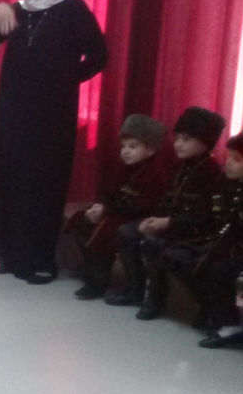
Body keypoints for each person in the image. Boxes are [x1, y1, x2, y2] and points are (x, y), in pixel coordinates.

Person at [0, 0, 109, 283]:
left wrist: (65, 81)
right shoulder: (18, 11)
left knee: (41, 182)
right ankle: (9, 255)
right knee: (12, 178)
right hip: (13, 112)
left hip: (51, 115)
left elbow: (99, 56)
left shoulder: (73, 10)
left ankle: (38, 258)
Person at [106, 106, 225, 320]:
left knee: (153, 243)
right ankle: (135, 290)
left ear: (205, 142)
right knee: (126, 232)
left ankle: (156, 299)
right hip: (173, 224)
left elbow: (205, 218)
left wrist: (168, 223)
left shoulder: (212, 173)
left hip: (195, 233)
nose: (178, 144)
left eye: (186, 139)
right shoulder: (181, 167)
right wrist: (154, 219)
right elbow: (167, 201)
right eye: (177, 138)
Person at [64, 115, 170, 300]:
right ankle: (91, 271)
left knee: (105, 231)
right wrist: (100, 206)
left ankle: (98, 282)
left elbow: (143, 206)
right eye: (123, 146)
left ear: (150, 149)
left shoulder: (155, 173)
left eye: (133, 146)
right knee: (82, 219)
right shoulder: (125, 168)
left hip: (138, 216)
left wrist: (106, 210)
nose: (126, 151)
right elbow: (110, 193)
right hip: (118, 211)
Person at [184, 133, 243, 348]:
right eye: (228, 156)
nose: (228, 162)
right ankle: (218, 315)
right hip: (229, 243)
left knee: (221, 269)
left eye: (237, 159)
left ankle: (229, 324)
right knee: (192, 259)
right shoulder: (227, 184)